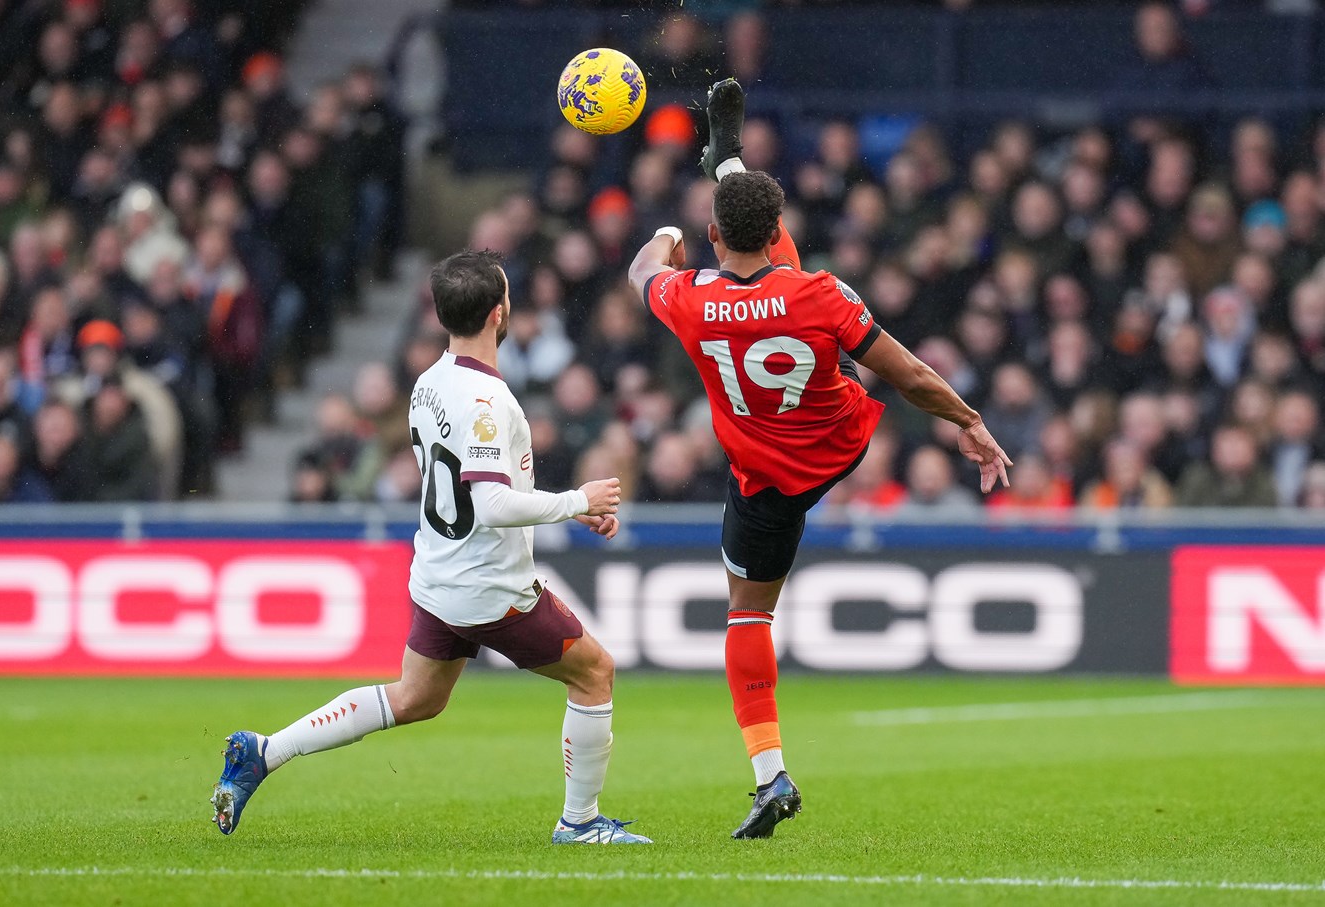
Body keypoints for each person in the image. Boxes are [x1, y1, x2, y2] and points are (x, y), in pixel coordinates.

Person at [626, 79, 1012, 840]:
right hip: (839, 441)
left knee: (746, 612)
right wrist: (968, 422)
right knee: (790, 290)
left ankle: (769, 774)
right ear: (778, 231)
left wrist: (664, 237)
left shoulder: (688, 297)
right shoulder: (822, 292)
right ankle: (729, 159)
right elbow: (907, 375)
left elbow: (642, 274)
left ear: (712, 237)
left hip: (766, 479)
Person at [211, 250, 651, 846]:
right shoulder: (488, 401)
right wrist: (579, 501)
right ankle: (580, 822)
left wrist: (568, 507)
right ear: (501, 313)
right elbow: (492, 505)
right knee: (595, 672)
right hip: (489, 589)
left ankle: (264, 752)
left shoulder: (429, 381)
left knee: (415, 697)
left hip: (439, 575)